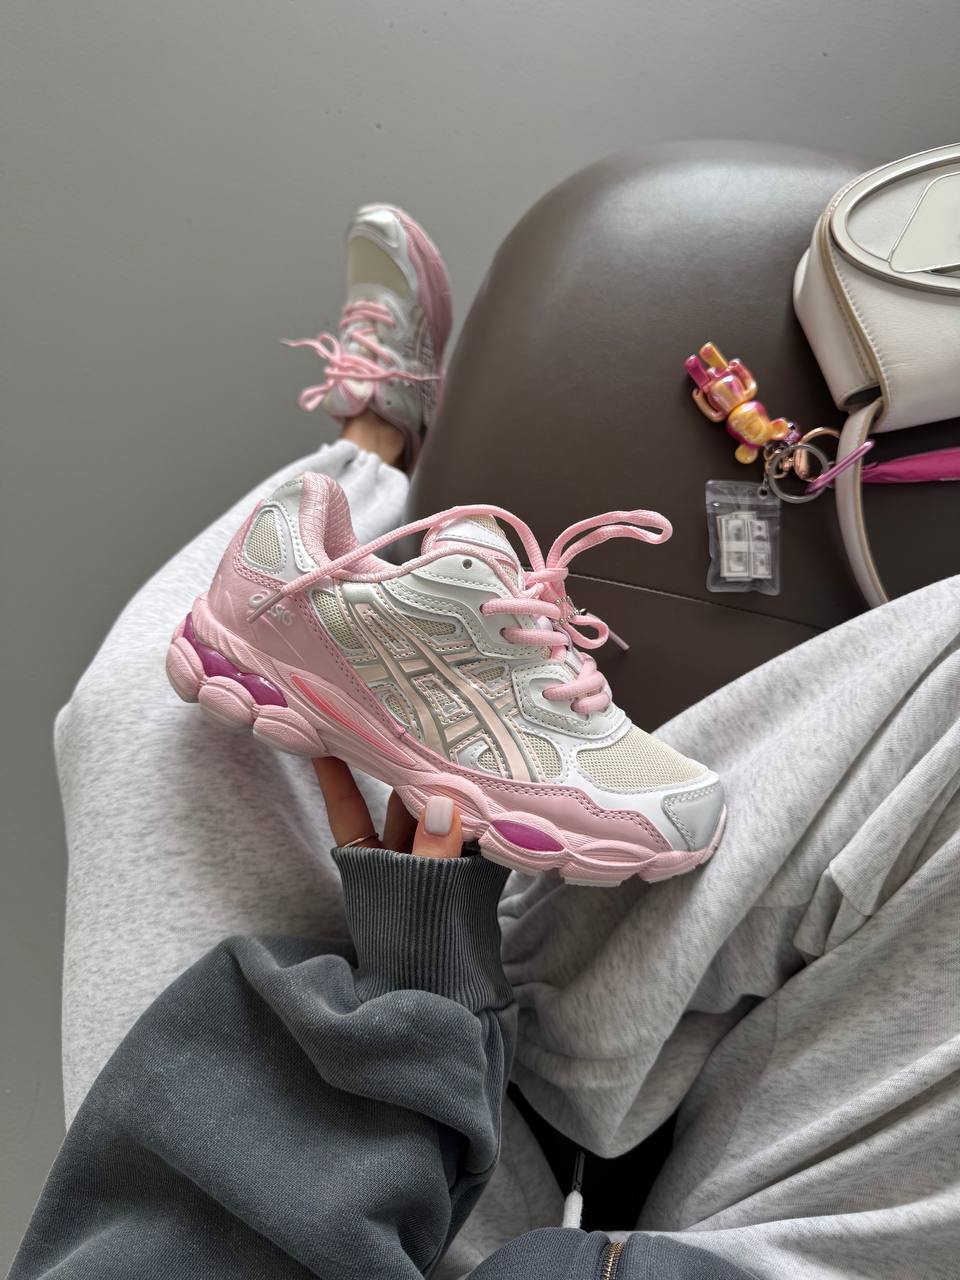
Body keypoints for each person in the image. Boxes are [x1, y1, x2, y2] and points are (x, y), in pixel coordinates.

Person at [16, 206, 960, 1279]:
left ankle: (368, 448)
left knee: (153, 713)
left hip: (330, 1203)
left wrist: (420, 1000)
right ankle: (549, 987)